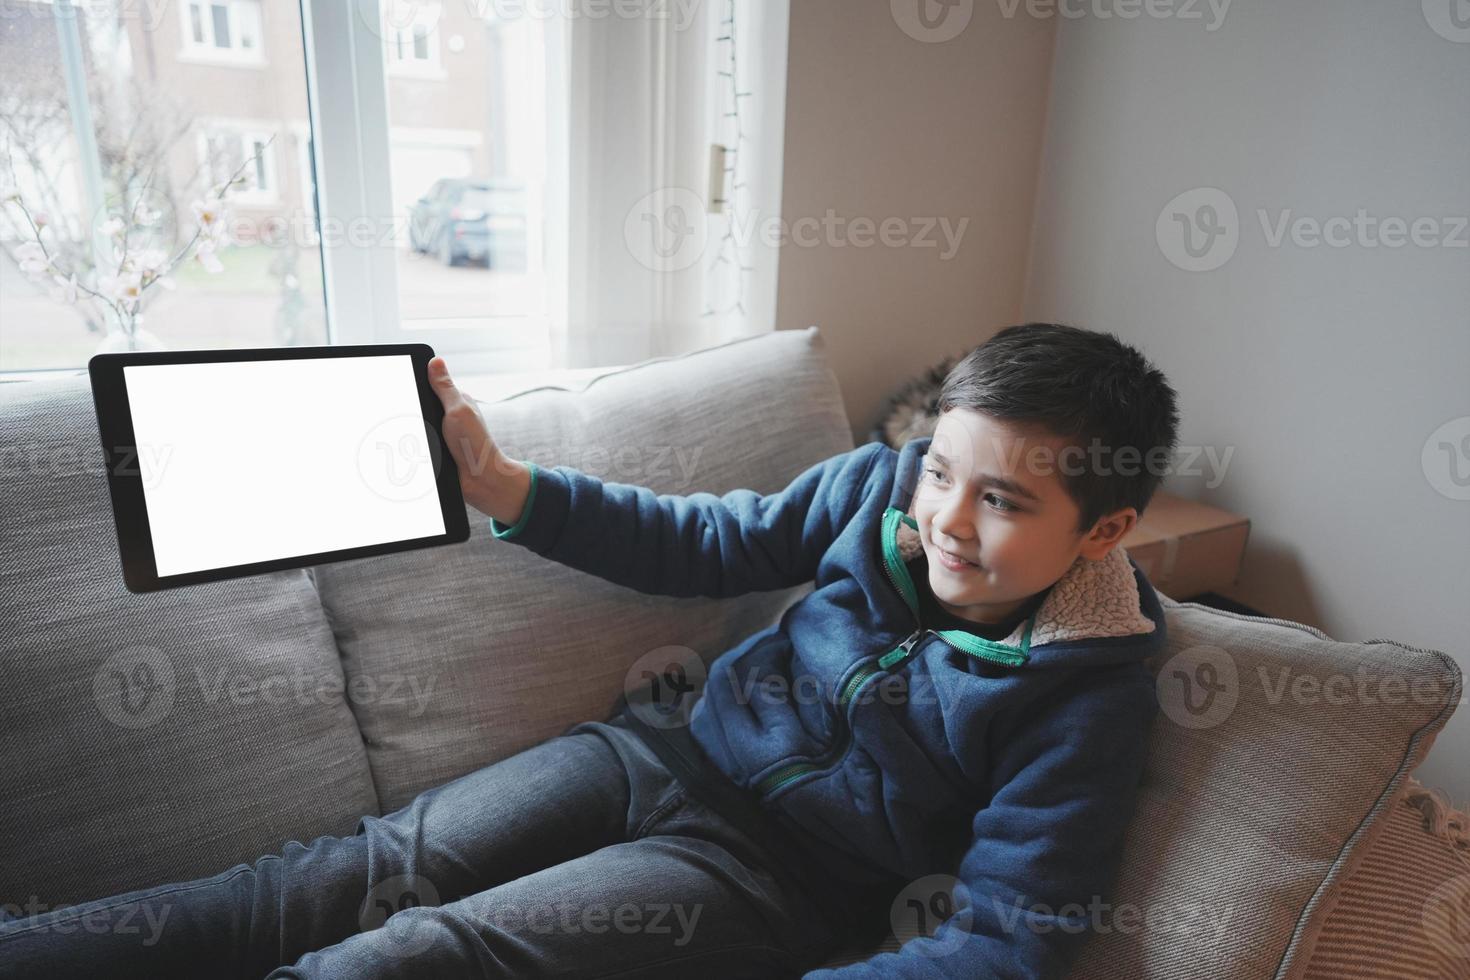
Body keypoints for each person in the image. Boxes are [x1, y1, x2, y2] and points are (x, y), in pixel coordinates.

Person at [0, 322, 1179, 979]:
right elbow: (710, 539)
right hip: (652, 751)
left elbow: (1008, 936)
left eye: (1004, 502)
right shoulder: (874, 489)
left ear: (1106, 531)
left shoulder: (1087, 692)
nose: (944, 522)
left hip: (769, 882)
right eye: (938, 470)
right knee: (335, 874)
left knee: (412, 959)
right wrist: (508, 485)